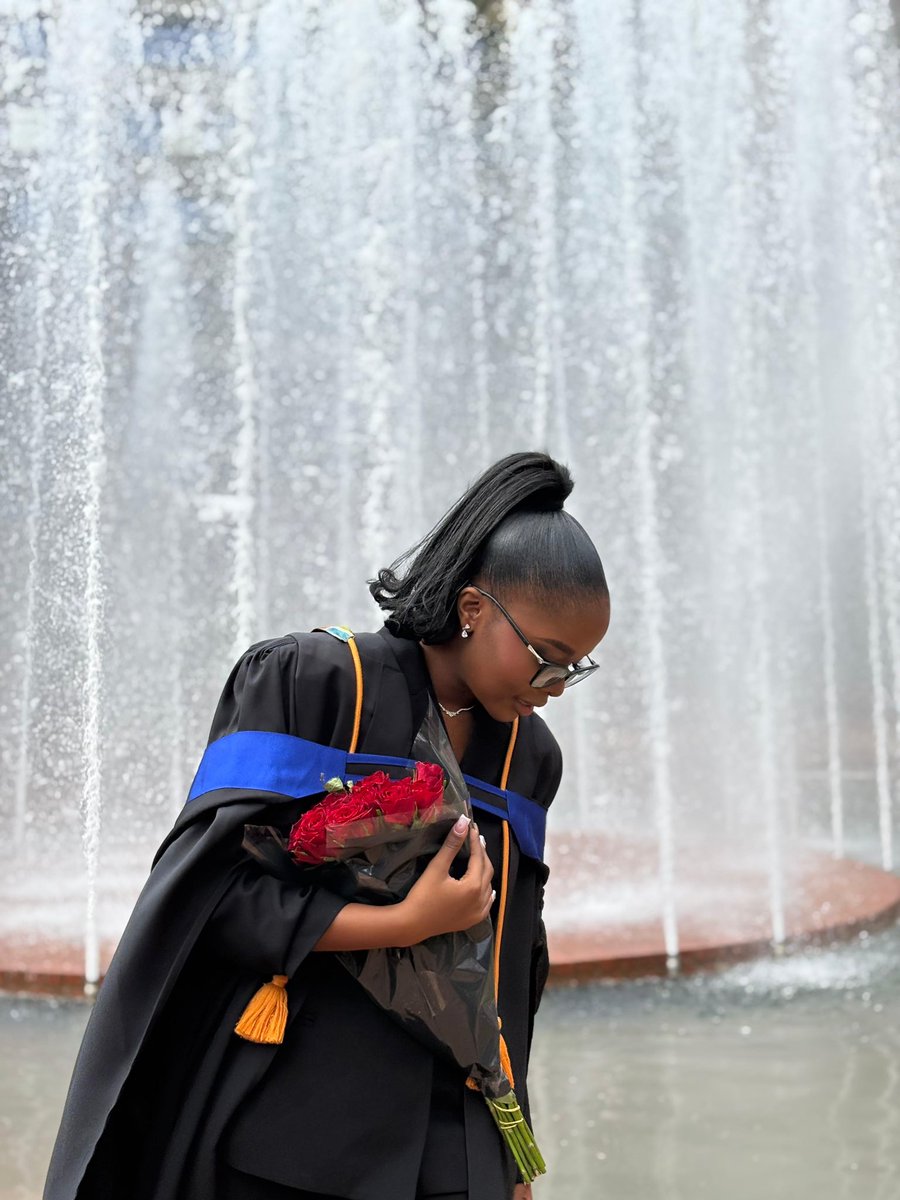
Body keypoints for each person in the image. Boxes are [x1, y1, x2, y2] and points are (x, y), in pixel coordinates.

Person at [43, 450, 610, 1200]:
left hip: (452, 1141)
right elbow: (215, 903)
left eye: (577, 669)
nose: (557, 688)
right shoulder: (311, 683)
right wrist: (403, 921)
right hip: (295, 1124)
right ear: (473, 610)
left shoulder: (527, 759)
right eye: (547, 659)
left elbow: (510, 968)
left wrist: (511, 1142)